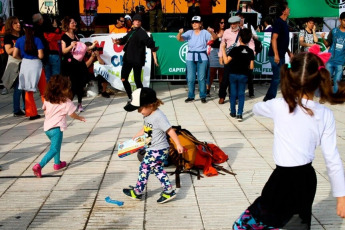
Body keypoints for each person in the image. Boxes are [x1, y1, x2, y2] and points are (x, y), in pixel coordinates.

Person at [233, 48, 345, 229]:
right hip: (306, 180)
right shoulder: (325, 114)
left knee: (247, 225)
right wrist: (341, 197)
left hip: (281, 179)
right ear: (318, 81)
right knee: (297, 225)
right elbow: (333, 159)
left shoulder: (279, 105)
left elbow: (257, 108)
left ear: (290, 77)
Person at [122, 87, 184, 204]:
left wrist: (178, 144)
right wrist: (136, 137)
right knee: (157, 169)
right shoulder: (149, 115)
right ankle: (168, 191)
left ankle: (138, 192)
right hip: (154, 149)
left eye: (140, 109)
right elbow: (146, 128)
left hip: (158, 150)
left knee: (144, 168)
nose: (139, 112)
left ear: (150, 105)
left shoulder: (159, 116)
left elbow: (170, 130)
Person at [32, 75, 86, 178]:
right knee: (54, 149)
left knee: (56, 146)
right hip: (56, 129)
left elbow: (44, 109)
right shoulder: (66, 101)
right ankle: (39, 166)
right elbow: (72, 114)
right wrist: (80, 118)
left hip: (47, 128)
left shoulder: (47, 99)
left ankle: (57, 163)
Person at [112, 14, 158, 100]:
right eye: (136, 20)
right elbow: (124, 39)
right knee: (123, 79)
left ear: (140, 23)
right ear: (133, 21)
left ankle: (142, 98)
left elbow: (150, 44)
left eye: (139, 21)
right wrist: (117, 41)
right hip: (127, 59)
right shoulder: (131, 31)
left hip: (137, 60)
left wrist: (154, 54)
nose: (137, 22)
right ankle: (131, 97)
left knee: (137, 81)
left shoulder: (142, 33)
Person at [61, 16, 97, 112]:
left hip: (78, 63)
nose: (74, 24)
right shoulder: (64, 37)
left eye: (75, 22)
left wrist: (92, 46)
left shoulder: (76, 36)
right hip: (70, 64)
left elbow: (82, 48)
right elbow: (64, 51)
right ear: (67, 25)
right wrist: (71, 46)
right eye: (72, 22)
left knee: (80, 84)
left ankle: (80, 104)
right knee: (71, 85)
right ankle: (69, 105)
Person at [177, 16, 217, 104]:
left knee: (201, 78)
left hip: (202, 56)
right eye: (193, 22)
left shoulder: (204, 32)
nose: (194, 24)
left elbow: (214, 38)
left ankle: (203, 95)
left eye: (196, 22)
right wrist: (179, 33)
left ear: (200, 23)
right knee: (190, 78)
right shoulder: (189, 32)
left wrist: (211, 32)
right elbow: (180, 39)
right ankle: (191, 96)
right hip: (191, 57)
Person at [218, 15, 255, 104]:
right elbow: (222, 44)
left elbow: (251, 45)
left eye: (234, 24)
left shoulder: (244, 32)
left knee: (234, 79)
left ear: (239, 23)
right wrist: (220, 56)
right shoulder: (226, 32)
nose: (233, 26)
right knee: (225, 79)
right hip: (229, 57)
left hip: (240, 59)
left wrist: (250, 56)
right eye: (231, 24)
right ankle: (222, 96)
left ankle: (233, 97)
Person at [13, 23, 46, 120]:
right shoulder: (37, 40)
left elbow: (14, 55)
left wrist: (22, 58)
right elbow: (41, 56)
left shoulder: (19, 40)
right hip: (36, 64)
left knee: (28, 90)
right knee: (43, 90)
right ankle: (48, 111)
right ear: (34, 30)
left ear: (24, 29)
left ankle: (32, 113)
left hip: (25, 65)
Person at [221, 28, 254, 122]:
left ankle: (233, 111)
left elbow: (226, 61)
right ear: (249, 39)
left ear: (239, 38)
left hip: (233, 74)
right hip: (243, 75)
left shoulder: (235, 50)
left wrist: (223, 49)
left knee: (233, 93)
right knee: (241, 94)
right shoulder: (250, 51)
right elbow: (251, 67)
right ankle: (240, 113)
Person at [263, 1, 292, 102]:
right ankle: (269, 98)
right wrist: (276, 55)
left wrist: (288, 51)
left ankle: (273, 97)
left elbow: (282, 40)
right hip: (276, 55)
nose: (289, 10)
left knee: (281, 76)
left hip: (282, 54)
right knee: (277, 77)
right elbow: (274, 39)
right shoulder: (278, 22)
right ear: (284, 11)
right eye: (288, 8)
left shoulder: (284, 23)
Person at [1, 16, 25, 117]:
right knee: (18, 88)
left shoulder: (22, 34)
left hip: (25, 61)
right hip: (15, 62)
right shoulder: (8, 37)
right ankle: (16, 109)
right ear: (11, 25)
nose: (18, 24)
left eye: (19, 22)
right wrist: (18, 46)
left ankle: (26, 106)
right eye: (15, 23)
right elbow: (8, 51)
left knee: (25, 87)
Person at [321, 12, 345, 93]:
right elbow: (328, 44)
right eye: (344, 20)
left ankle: (334, 97)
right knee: (326, 80)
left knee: (337, 82)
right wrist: (323, 38)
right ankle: (324, 96)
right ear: (340, 20)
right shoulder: (334, 31)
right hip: (330, 60)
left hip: (340, 62)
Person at [206, 17, 225, 97]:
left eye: (224, 23)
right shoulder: (213, 31)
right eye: (221, 22)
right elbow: (213, 38)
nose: (223, 24)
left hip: (223, 51)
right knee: (211, 73)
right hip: (214, 51)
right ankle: (207, 90)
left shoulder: (227, 31)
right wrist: (215, 34)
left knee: (222, 73)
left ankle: (221, 90)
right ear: (218, 23)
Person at [43, 17, 63, 82]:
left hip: (45, 56)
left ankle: (48, 90)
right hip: (55, 55)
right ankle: (55, 91)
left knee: (47, 77)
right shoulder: (56, 33)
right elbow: (62, 35)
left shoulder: (43, 33)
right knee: (56, 77)